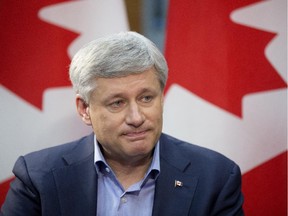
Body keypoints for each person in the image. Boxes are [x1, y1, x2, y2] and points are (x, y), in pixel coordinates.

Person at [0, 31, 244, 216]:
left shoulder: (216, 178)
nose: (137, 117)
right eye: (117, 103)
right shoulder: (38, 178)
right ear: (85, 109)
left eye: (146, 98)